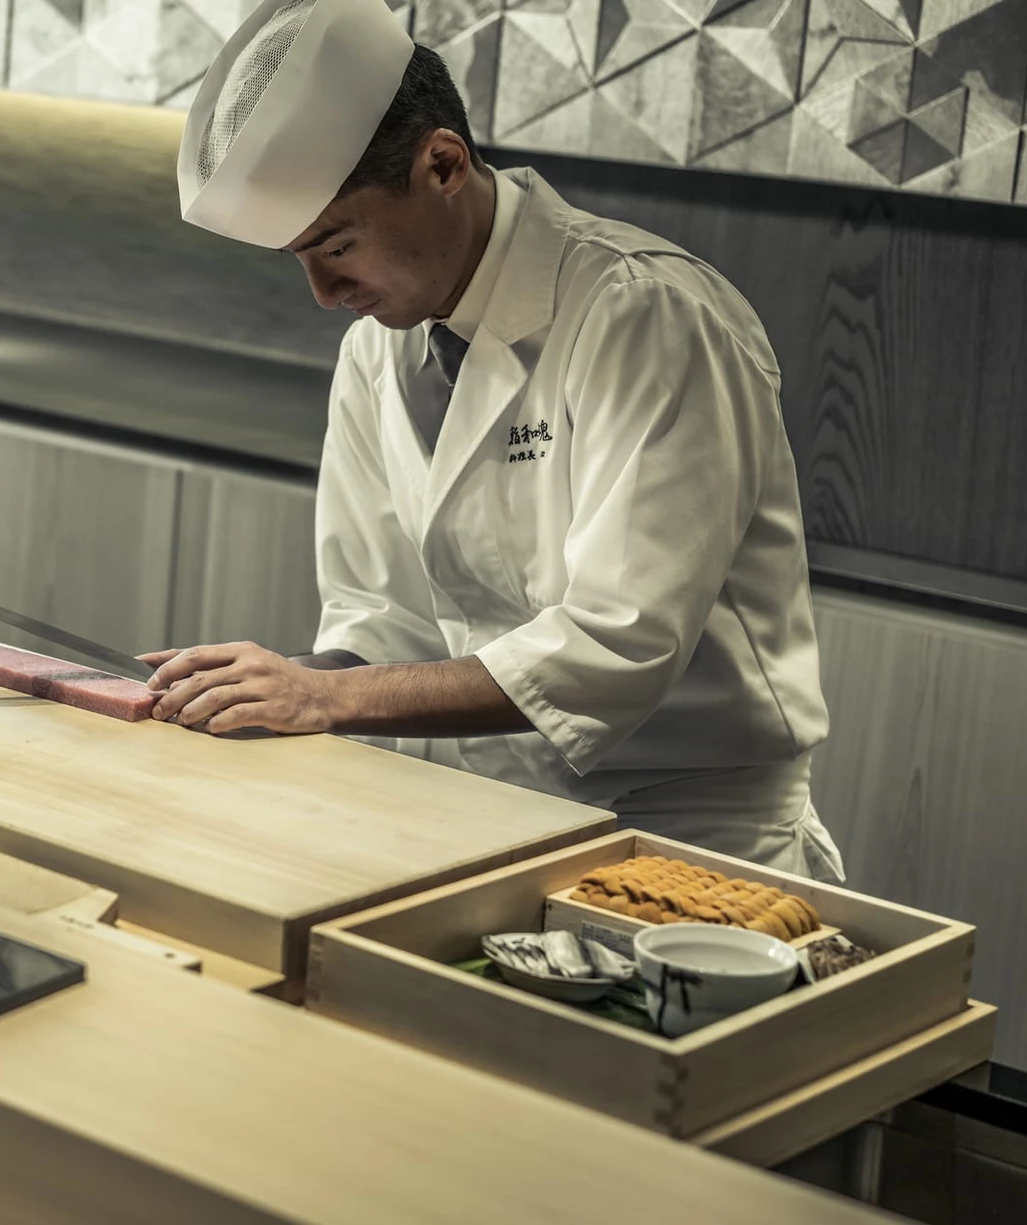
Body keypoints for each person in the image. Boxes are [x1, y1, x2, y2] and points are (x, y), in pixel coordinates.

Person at [143, 0, 844, 881]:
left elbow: (618, 644)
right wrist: (264, 687)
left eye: (338, 245)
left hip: (685, 833)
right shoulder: (379, 347)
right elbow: (382, 617)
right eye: (299, 259)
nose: (323, 292)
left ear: (441, 164)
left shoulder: (647, 313)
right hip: (481, 814)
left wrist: (325, 697)